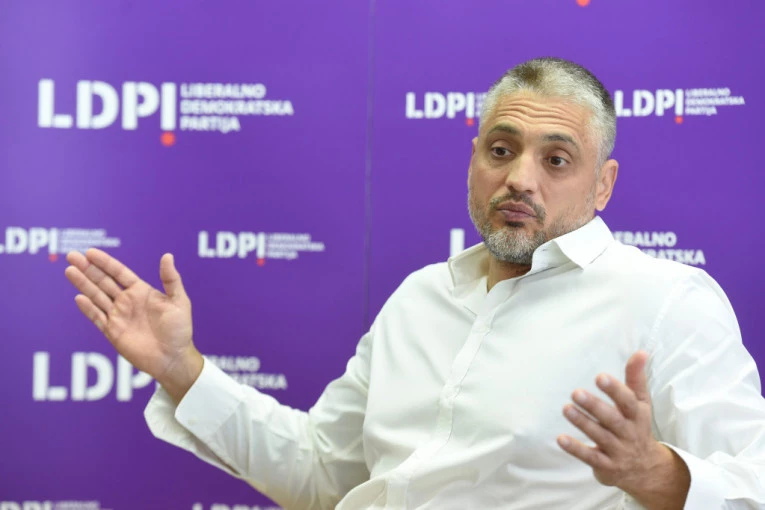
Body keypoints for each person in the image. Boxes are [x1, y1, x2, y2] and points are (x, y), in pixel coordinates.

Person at [64, 57, 765, 509]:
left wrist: (655, 474)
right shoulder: (420, 297)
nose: (520, 178)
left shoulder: (665, 302)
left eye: (556, 159)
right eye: (501, 150)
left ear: (602, 185)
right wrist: (181, 369)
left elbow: (752, 483)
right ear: (474, 161)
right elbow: (322, 473)